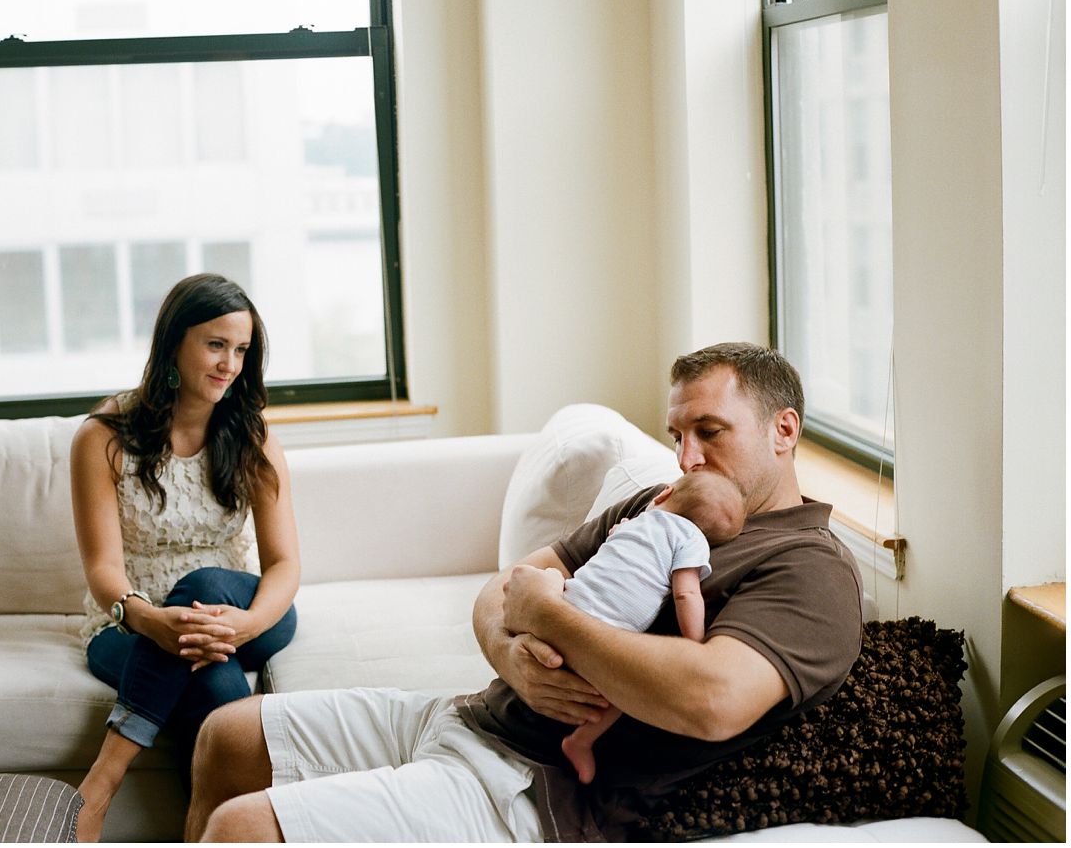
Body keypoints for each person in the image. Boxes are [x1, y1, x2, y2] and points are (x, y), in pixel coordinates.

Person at [183, 342, 863, 843]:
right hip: (473, 715)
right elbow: (497, 593)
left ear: (785, 431)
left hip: (535, 788)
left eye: (710, 433)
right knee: (227, 735)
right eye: (677, 435)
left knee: (241, 830)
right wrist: (511, 659)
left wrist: (543, 614)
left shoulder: (809, 569)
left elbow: (711, 699)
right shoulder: (658, 502)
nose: (686, 458)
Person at [71, 274, 301, 842]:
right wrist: (152, 620)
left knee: (204, 585)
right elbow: (102, 569)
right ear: (174, 343)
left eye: (241, 350)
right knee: (213, 684)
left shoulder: (252, 437)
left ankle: (100, 782)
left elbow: (284, 565)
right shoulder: (104, 437)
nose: (229, 364)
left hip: (241, 612)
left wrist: (246, 623)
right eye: (215, 345)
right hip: (129, 623)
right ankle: (209, 831)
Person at [559, 470, 744, 785]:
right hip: (606, 630)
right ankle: (580, 741)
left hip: (567, 603)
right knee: (623, 693)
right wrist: (695, 642)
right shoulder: (692, 540)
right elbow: (686, 593)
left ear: (662, 495)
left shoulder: (635, 523)